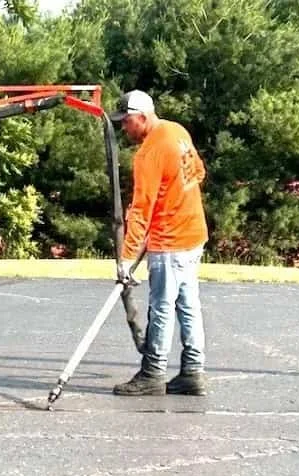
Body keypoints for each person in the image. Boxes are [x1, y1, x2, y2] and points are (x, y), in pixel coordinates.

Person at [109, 90, 209, 396]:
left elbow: (141, 208)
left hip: (171, 240)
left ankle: (152, 373)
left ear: (142, 116)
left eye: (127, 122)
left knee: (162, 307)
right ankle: (193, 371)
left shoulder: (150, 152)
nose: (125, 129)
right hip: (194, 234)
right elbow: (198, 173)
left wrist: (126, 259)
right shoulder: (176, 131)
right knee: (188, 304)